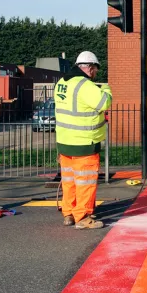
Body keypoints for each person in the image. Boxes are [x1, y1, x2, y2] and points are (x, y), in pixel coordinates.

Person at [54, 51, 111, 229]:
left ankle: (69, 214)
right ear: (90, 68)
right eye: (95, 70)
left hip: (64, 142)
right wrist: (106, 89)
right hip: (84, 143)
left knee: (69, 181)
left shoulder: (62, 83)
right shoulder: (85, 85)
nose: (95, 74)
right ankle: (83, 217)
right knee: (85, 182)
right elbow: (105, 103)